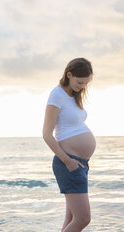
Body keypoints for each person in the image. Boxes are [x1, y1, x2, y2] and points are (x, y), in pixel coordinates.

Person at [42, 57, 96, 232]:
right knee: (83, 218)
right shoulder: (57, 94)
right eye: (79, 82)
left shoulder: (73, 96)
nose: (82, 86)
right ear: (69, 74)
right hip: (69, 162)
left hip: (79, 163)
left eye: (85, 83)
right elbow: (46, 135)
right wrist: (67, 161)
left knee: (72, 217)